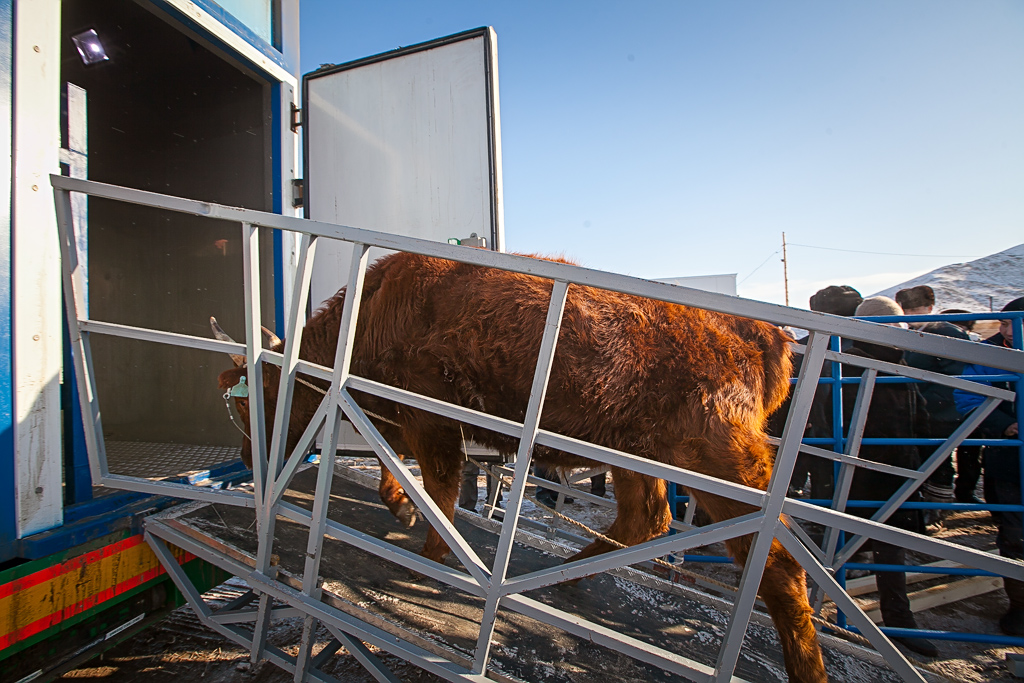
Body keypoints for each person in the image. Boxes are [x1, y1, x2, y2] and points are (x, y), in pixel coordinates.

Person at [841, 296, 937, 657]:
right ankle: (888, 620)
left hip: (894, 472)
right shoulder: (843, 364)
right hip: (857, 472)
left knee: (884, 548)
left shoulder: (900, 364)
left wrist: (926, 468)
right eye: (896, 325)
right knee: (846, 543)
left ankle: (896, 620)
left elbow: (919, 419)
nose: (903, 331)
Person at [953, 296, 1024, 636]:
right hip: (1006, 457)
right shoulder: (988, 354)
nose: (1003, 328)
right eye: (1003, 322)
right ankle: (1019, 607)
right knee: (1012, 533)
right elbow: (968, 396)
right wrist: (1004, 425)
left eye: (1010, 322)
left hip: (1006, 455)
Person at [903, 307, 973, 516]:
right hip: (925, 408)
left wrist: (925, 402)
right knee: (927, 457)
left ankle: (937, 509)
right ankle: (929, 508)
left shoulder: (944, 333)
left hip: (940, 410)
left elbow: (954, 378)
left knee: (939, 459)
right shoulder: (914, 334)